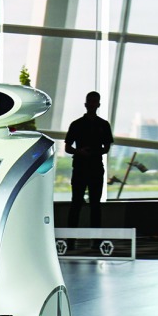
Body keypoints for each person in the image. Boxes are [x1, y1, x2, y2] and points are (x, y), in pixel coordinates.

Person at [64, 90, 113, 230]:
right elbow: (106, 148)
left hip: (82, 166)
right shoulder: (103, 125)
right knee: (93, 204)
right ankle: (95, 239)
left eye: (93, 102)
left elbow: (68, 147)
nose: (91, 105)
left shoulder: (77, 124)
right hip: (93, 166)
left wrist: (79, 152)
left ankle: (72, 238)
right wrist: (94, 152)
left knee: (78, 203)